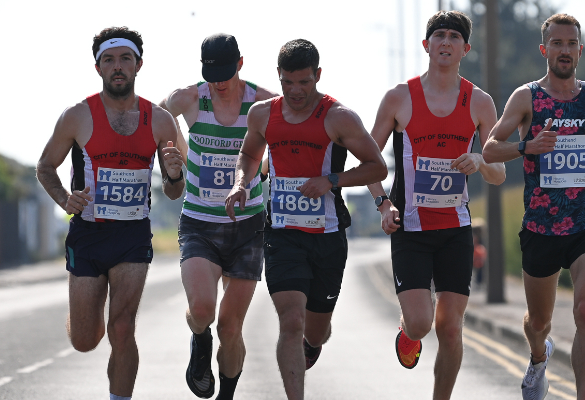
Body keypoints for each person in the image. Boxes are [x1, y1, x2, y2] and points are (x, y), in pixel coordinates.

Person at [481, 13, 585, 400]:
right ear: (544, 49)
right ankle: (538, 359)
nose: (564, 50)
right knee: (539, 322)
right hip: (542, 224)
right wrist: (527, 146)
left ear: (580, 51)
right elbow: (489, 148)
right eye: (557, 44)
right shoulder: (526, 98)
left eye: (571, 44)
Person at [224, 38, 386, 400]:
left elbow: (378, 166)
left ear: (318, 76)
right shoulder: (263, 114)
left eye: (304, 82)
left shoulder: (339, 117)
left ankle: (313, 344)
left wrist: (331, 180)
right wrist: (240, 184)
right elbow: (249, 154)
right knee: (291, 321)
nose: (296, 91)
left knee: (315, 330)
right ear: (278, 77)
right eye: (287, 82)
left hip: (327, 235)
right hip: (282, 233)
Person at [35, 26, 187, 400]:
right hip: (88, 234)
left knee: (122, 328)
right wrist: (63, 199)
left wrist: (173, 174)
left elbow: (174, 192)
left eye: (124, 59)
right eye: (109, 60)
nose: (117, 67)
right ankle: (83, 315)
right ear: (98, 67)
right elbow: (44, 167)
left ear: (138, 65)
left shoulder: (161, 120)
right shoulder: (77, 116)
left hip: (132, 235)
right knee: (86, 340)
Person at [364, 10, 506, 400]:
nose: (446, 42)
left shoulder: (478, 102)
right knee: (422, 323)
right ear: (426, 45)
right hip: (410, 229)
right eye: (439, 35)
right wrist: (382, 204)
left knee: (451, 327)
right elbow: (368, 162)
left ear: (466, 48)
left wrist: (480, 161)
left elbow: (499, 175)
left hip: (455, 230)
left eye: (454, 37)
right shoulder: (399, 98)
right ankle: (407, 332)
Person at [160, 33, 278, 400]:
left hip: (247, 225)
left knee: (230, 326)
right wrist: (176, 157)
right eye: (212, 75)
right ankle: (198, 339)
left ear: (240, 64)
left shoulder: (263, 103)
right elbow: (156, 120)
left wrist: (264, 171)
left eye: (226, 74)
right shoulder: (190, 98)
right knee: (203, 310)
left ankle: (226, 394)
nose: (219, 83)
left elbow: (290, 137)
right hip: (200, 221)